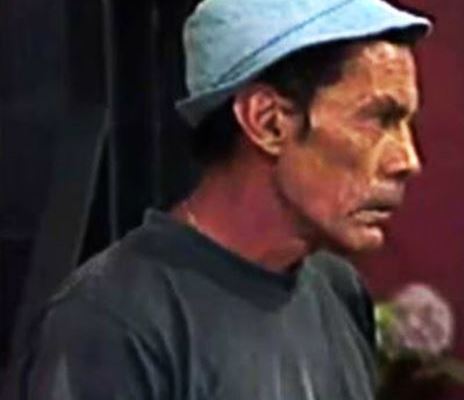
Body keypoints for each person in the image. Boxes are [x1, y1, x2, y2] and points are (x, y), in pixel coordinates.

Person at [6, 0, 431, 398]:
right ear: (267, 122)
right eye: (380, 120)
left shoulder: (338, 291)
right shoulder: (113, 319)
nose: (407, 160)